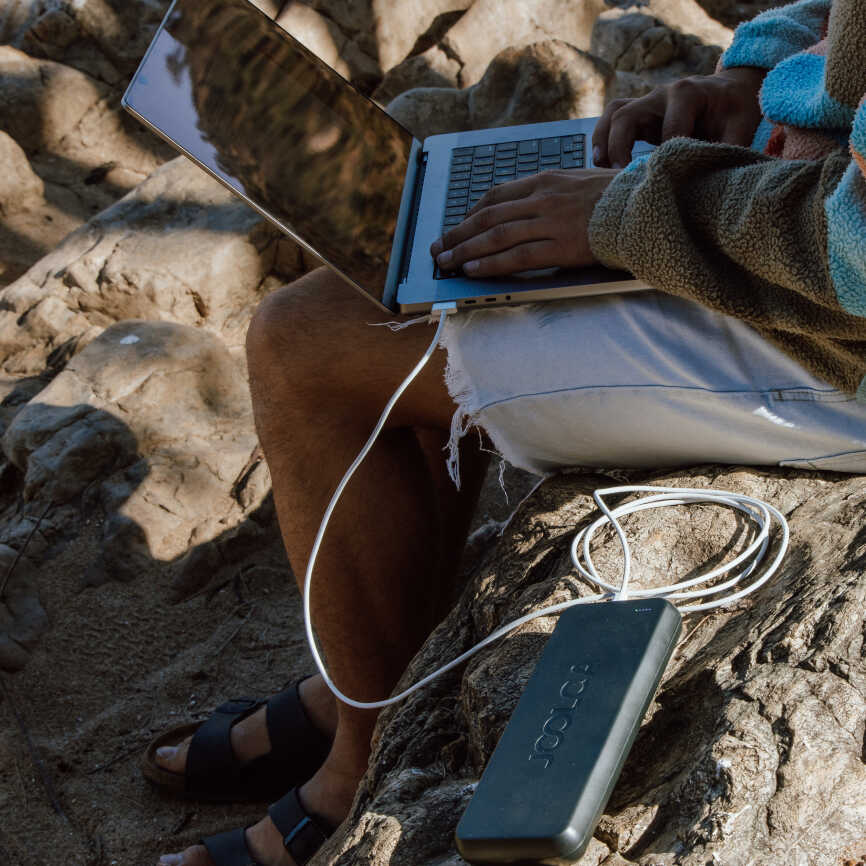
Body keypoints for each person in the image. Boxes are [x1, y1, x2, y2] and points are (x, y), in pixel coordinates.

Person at [155, 1, 866, 863]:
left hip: (837, 325)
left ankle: (354, 767)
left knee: (309, 347)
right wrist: (764, 75)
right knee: (413, 263)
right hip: (792, 202)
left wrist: (633, 213)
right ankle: (368, 680)